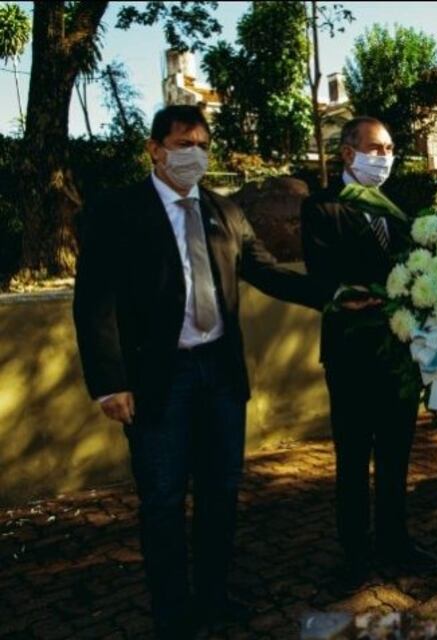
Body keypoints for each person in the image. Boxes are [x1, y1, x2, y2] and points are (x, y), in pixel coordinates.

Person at [73, 105, 321, 639]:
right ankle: (172, 611)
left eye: (203, 144)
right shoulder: (118, 211)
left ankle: (212, 596)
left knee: (220, 491)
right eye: (184, 143)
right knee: (162, 498)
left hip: (220, 375)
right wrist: (110, 383)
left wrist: (337, 293)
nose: (195, 155)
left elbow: (267, 272)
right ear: (155, 149)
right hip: (159, 380)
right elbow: (95, 300)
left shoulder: (224, 210)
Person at [301, 116, 437, 594]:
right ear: (347, 153)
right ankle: (354, 554)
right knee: (354, 457)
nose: (384, 157)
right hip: (351, 354)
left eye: (389, 149)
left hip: (399, 354)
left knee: (398, 453)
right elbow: (324, 271)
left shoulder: (396, 211)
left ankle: (395, 541)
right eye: (375, 148)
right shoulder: (322, 207)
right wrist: (353, 292)